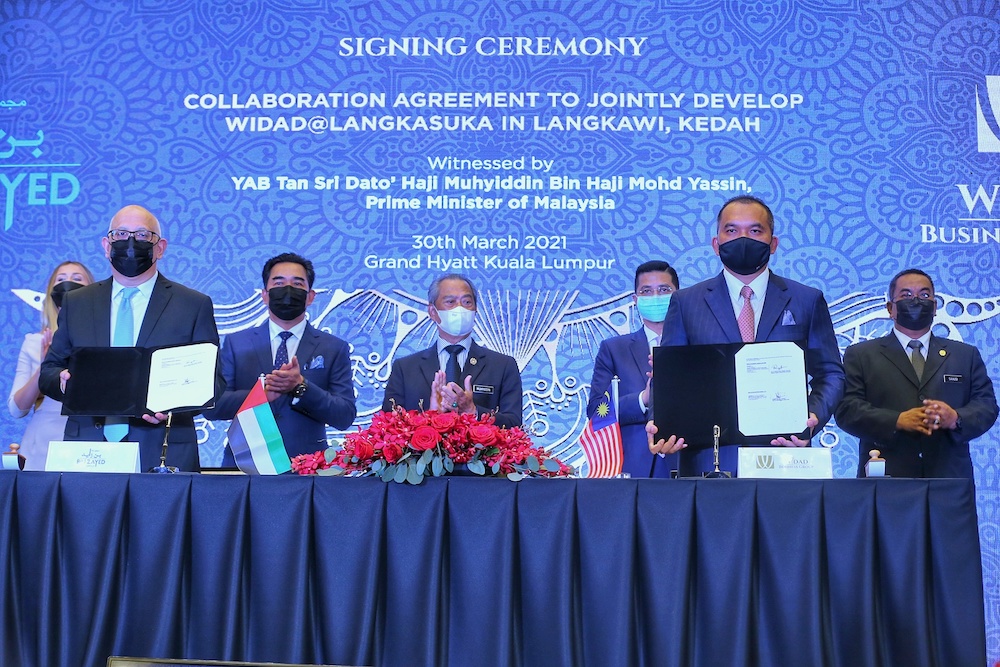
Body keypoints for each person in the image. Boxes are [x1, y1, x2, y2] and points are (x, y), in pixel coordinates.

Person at [654, 195, 845, 476]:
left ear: (773, 243)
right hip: (709, 464)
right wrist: (661, 427)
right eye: (731, 231)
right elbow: (669, 378)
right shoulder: (686, 303)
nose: (743, 238)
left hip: (785, 458)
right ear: (716, 244)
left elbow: (830, 373)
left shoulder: (806, 299)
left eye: (755, 231)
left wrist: (812, 417)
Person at [38, 205, 222, 472]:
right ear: (106, 244)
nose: (131, 242)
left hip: (163, 452)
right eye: (121, 234)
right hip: (86, 450)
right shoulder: (77, 302)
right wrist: (64, 383)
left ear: (160, 247)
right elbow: (49, 372)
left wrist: (172, 406)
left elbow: (213, 383)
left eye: (143, 235)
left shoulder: (193, 305)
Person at [835, 269, 998, 480]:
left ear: (935, 306)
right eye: (906, 295)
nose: (916, 300)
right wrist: (897, 420)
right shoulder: (861, 354)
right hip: (886, 481)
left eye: (924, 295)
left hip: (950, 481)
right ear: (890, 309)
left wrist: (955, 419)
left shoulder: (965, 355)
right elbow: (847, 410)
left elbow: (986, 406)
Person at [204, 252, 357, 461]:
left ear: (310, 296)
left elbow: (345, 415)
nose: (288, 290)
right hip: (245, 466)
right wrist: (259, 396)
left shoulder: (334, 348)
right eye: (279, 283)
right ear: (264, 295)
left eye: (297, 284)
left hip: (308, 468)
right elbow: (213, 407)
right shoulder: (236, 343)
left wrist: (301, 386)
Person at [382, 273, 522, 428]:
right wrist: (431, 415)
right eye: (451, 302)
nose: (460, 309)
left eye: (467, 302)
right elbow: (388, 426)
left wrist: (473, 411)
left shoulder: (502, 366)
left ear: (475, 310)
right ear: (433, 312)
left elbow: (514, 424)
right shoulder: (405, 368)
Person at [588, 260, 680, 477]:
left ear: (678, 295)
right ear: (635, 300)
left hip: (688, 464)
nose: (655, 297)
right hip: (634, 469)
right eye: (646, 291)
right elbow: (595, 411)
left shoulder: (697, 344)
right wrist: (643, 398)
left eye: (664, 290)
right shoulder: (614, 349)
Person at [7, 261, 95, 470]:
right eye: (61, 279)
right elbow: (17, 409)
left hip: (90, 445)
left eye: (77, 278)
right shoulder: (34, 342)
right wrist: (46, 366)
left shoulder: (107, 341)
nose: (69, 284)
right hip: (42, 446)